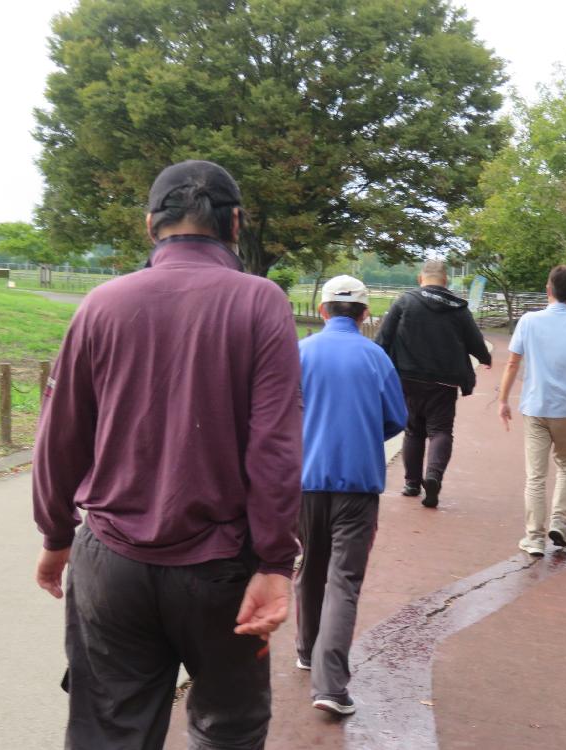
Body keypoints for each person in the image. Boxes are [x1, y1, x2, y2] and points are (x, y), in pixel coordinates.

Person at [33, 160, 303, 750]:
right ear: (235, 223)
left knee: (109, 729)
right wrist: (275, 562)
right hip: (222, 566)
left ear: (150, 224)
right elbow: (276, 447)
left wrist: (55, 533)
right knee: (228, 729)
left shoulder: (101, 304)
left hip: (110, 561)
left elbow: (60, 435)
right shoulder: (261, 303)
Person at [295, 275, 407, 716]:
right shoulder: (376, 357)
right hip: (358, 483)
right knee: (344, 579)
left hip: (305, 480)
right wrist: (363, 435)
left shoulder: (300, 352)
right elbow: (396, 418)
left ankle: (306, 649)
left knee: (310, 565)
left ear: (322, 310)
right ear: (364, 314)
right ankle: (331, 685)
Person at [497, 265, 566, 556]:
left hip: (535, 407)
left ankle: (534, 537)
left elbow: (512, 362)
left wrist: (503, 399)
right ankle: (559, 522)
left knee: (536, 476)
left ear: (548, 289)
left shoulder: (529, 321)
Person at [374, 259, 491, 508]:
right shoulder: (458, 308)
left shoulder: (404, 302)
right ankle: (433, 476)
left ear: (420, 279)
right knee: (440, 431)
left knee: (413, 430)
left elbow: (383, 339)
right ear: (445, 281)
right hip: (444, 381)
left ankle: (411, 483)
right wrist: (486, 358)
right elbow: (475, 341)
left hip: (408, 377)